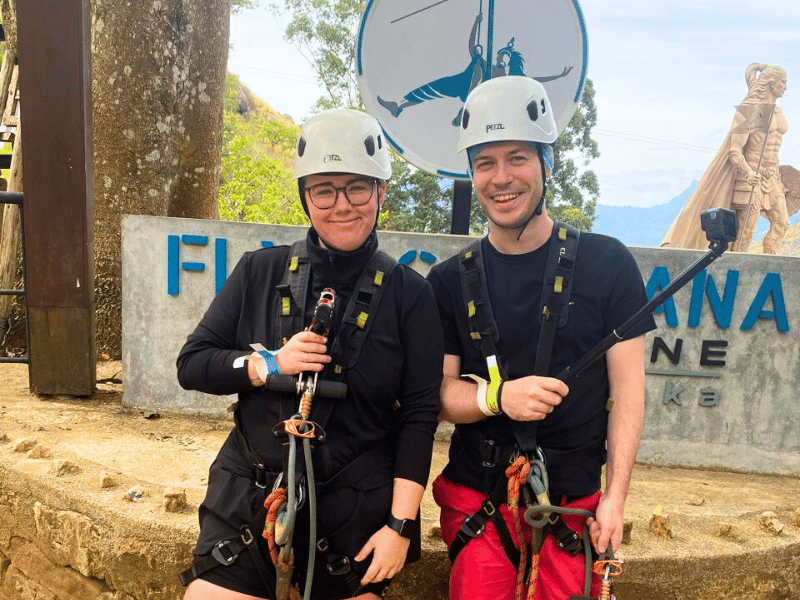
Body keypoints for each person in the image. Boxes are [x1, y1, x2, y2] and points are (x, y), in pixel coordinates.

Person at [177, 108, 443, 600]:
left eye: (357, 188)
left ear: (381, 193)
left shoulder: (410, 295)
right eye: (324, 190)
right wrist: (269, 364)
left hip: (353, 510)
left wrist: (400, 526)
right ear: (305, 197)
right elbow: (192, 364)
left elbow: (419, 416)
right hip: (251, 500)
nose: (342, 206)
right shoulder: (259, 271)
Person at [426, 76, 656, 600]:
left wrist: (616, 498)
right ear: (472, 175)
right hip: (481, 498)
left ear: (547, 164)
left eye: (518, 158)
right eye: (485, 163)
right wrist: (497, 397)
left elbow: (628, 395)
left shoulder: (608, 265)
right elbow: (439, 395)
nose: (501, 178)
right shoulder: (448, 281)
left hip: (573, 502)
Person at [662, 63, 789, 254]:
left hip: (772, 177)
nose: (786, 87)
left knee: (782, 223)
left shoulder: (778, 112)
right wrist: (748, 172)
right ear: (772, 83)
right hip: (750, 175)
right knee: (745, 232)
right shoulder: (750, 110)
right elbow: (734, 150)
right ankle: (738, 264)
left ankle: (771, 263)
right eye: (783, 82)